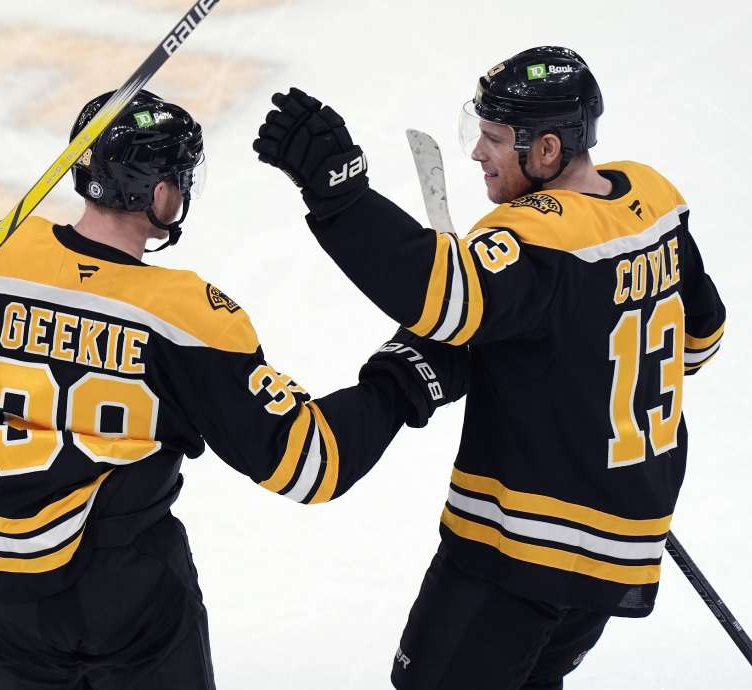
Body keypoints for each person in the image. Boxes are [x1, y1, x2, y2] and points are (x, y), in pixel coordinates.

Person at [0, 89, 468, 690]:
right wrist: (407, 373)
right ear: (156, 192)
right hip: (129, 599)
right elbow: (310, 463)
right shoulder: (187, 314)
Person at [253, 46, 727, 689]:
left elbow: (442, 295)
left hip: (520, 549)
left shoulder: (537, 236)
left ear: (549, 150)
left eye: (495, 138)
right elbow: (701, 340)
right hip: (619, 548)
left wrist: (340, 197)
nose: (478, 152)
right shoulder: (654, 198)